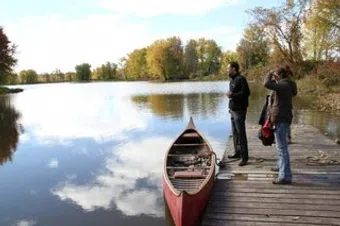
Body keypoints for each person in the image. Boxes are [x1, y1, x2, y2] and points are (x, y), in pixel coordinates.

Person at [264, 67, 295, 184]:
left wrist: (269, 73)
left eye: (276, 74)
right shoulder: (285, 85)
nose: (274, 76)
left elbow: (266, 83)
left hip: (281, 119)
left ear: (280, 75)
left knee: (282, 149)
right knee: (280, 147)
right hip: (282, 118)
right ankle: (280, 166)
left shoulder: (284, 85)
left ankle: (285, 176)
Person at [227, 61, 251, 166]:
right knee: (235, 134)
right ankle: (237, 152)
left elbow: (246, 93)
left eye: (228, 68)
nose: (227, 70)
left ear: (234, 69)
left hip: (239, 111)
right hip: (233, 111)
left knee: (241, 134)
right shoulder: (232, 80)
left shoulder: (241, 79)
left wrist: (233, 94)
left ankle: (244, 157)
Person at [284, 65, 298, 144]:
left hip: (282, 102)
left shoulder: (282, 80)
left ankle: (286, 137)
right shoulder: (292, 81)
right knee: (287, 120)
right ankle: (288, 137)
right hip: (289, 101)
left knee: (281, 120)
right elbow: (295, 93)